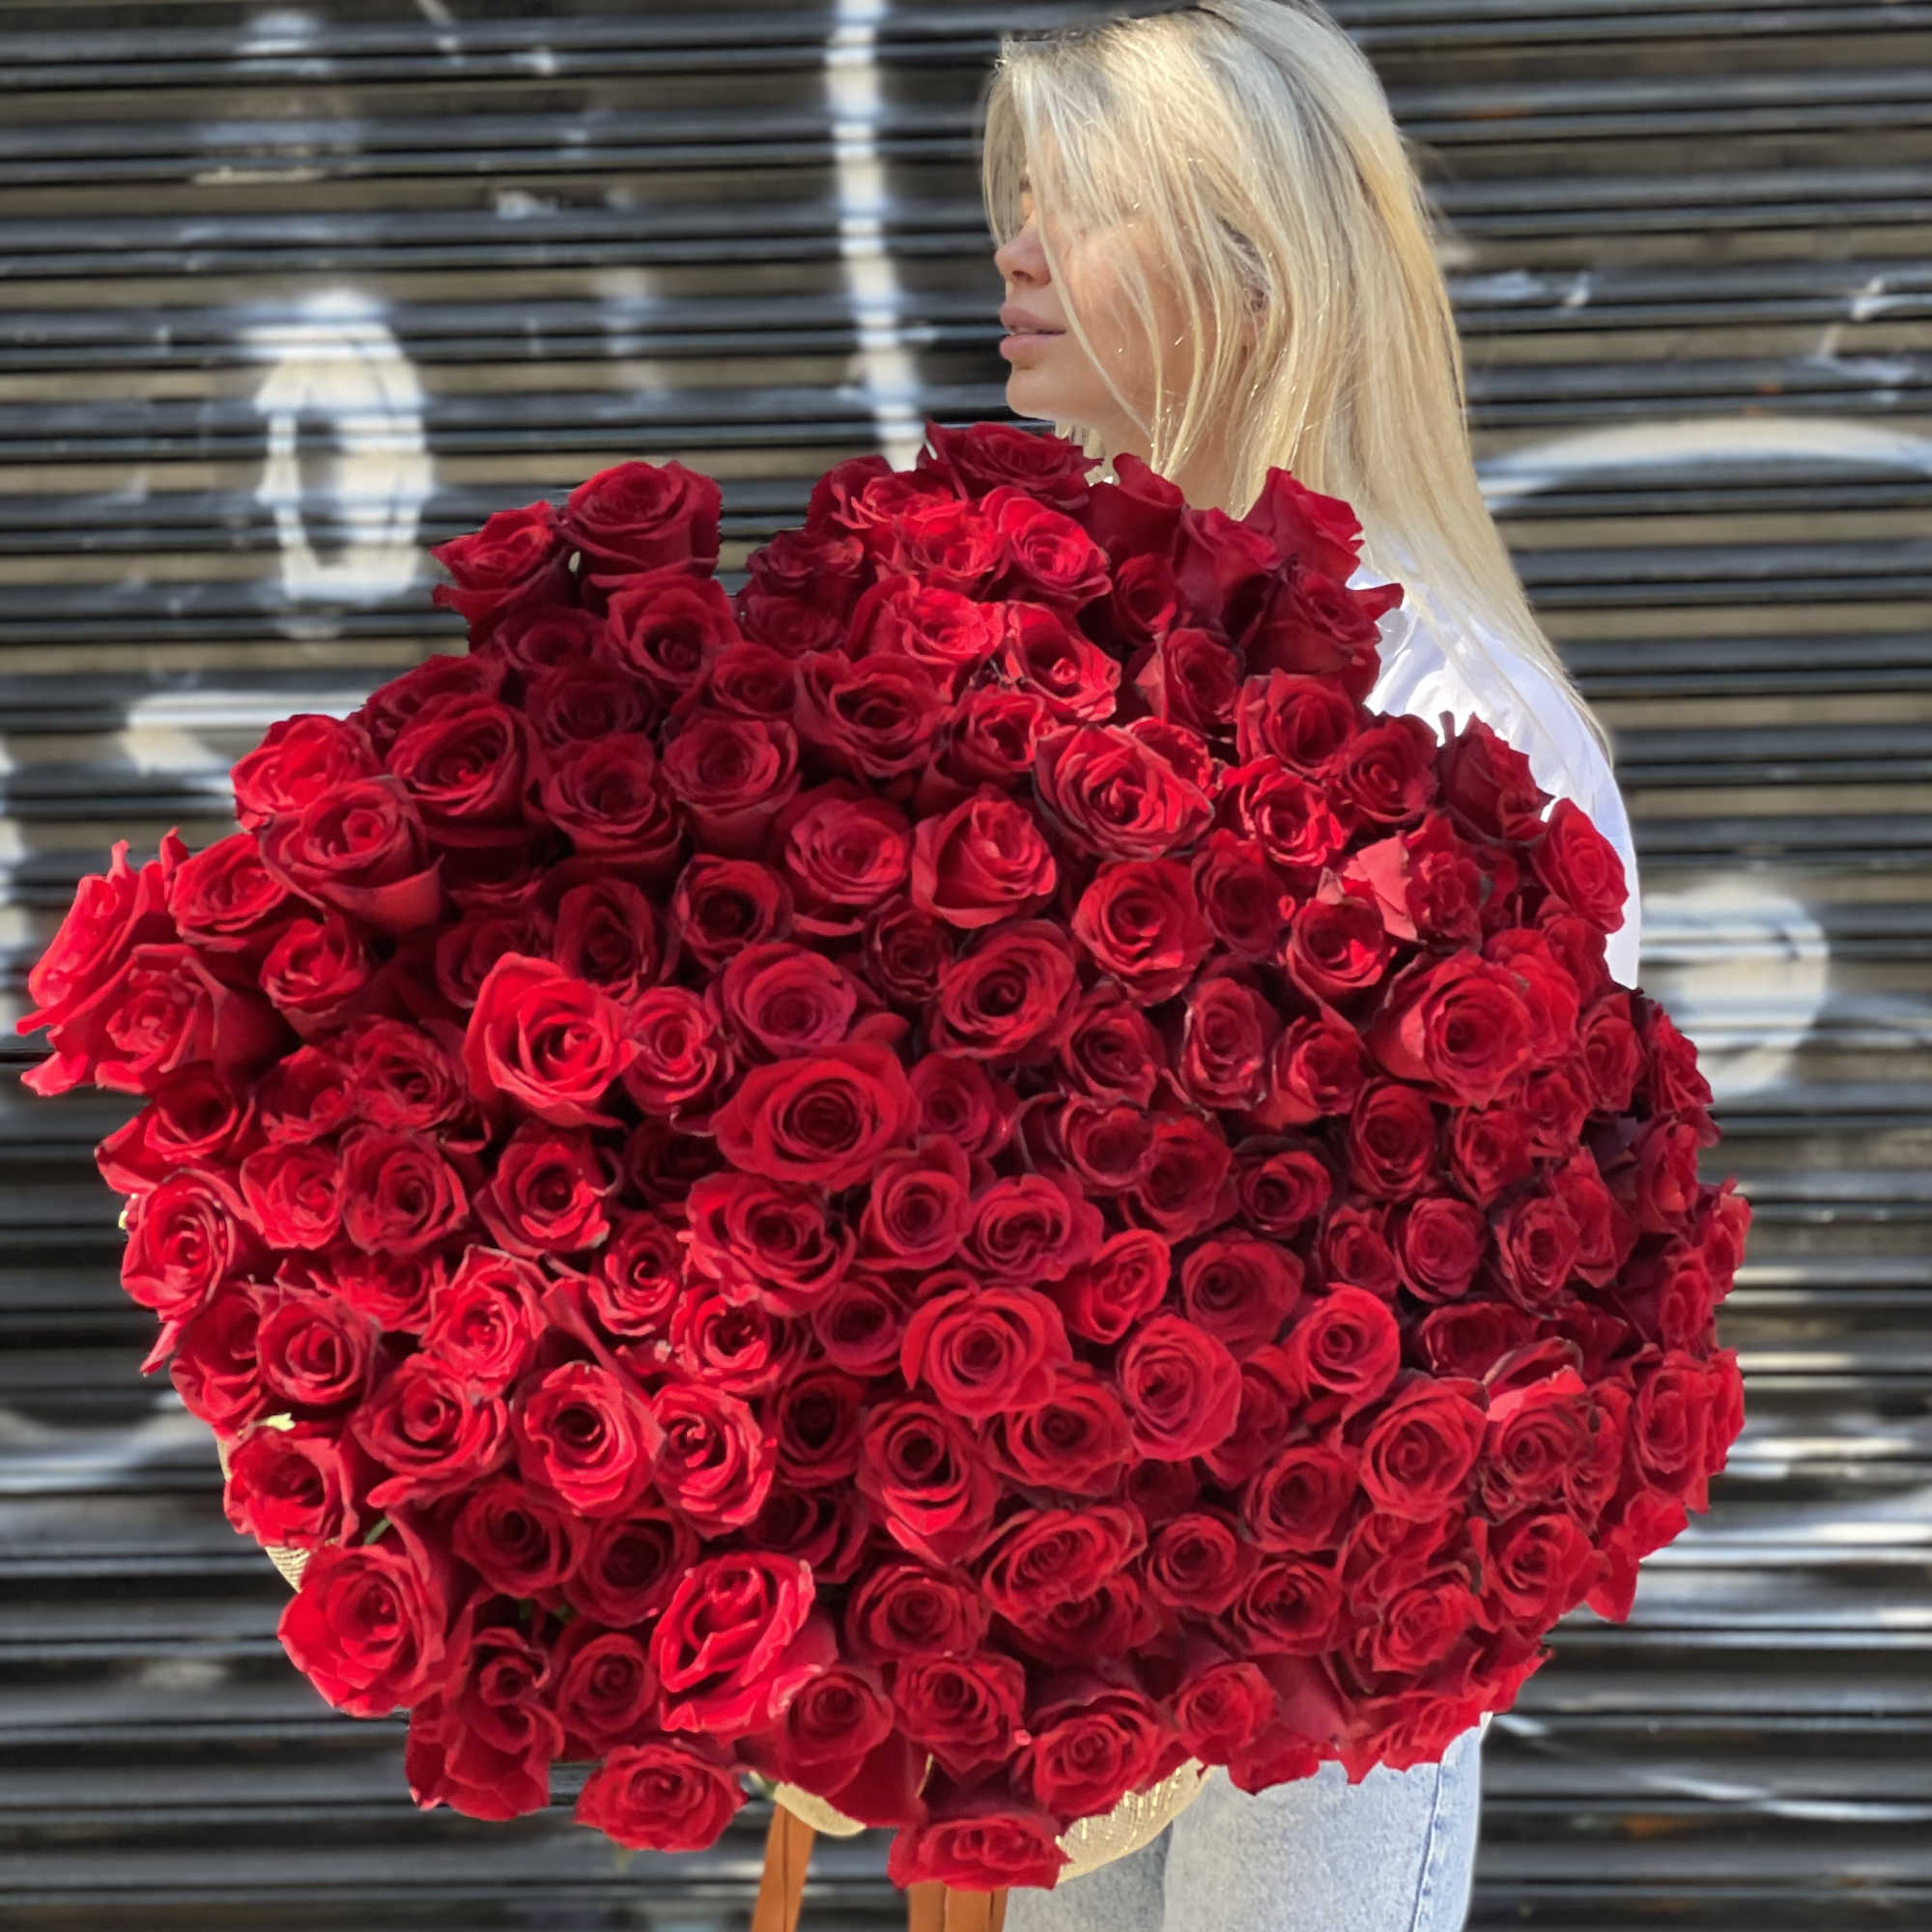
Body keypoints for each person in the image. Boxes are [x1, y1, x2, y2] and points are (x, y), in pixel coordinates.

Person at [983, 3, 1642, 1928]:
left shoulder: (1447, 707)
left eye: (1068, 208)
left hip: (1339, 1582)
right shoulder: (1064, 651)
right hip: (1076, 1563)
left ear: (1243, 274)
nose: (1011, 252)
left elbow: (1528, 1230)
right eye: (1008, 204)